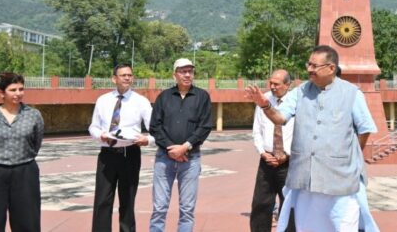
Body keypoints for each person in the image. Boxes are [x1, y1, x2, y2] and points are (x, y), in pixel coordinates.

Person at [244, 45, 379, 232]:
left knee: (342, 225)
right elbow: (280, 118)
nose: (309, 69)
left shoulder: (351, 94)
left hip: (340, 179)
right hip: (305, 178)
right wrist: (265, 105)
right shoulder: (300, 92)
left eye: (315, 66)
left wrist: (351, 156)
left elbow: (365, 129)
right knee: (307, 226)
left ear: (331, 68)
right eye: (309, 64)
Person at [149, 58, 213, 232]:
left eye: (190, 71)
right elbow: (155, 126)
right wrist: (171, 149)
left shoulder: (202, 97)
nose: (187, 74)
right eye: (182, 71)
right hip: (164, 158)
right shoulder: (164, 97)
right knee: (159, 207)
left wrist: (185, 147)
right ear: (174, 74)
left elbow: (205, 126)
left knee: (187, 209)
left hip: (191, 159)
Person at [0, 72, 45, 232]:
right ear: (1, 93)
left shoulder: (34, 116)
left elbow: (36, 143)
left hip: (25, 171)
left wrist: (24, 158)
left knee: (27, 219)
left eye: (21, 89)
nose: (18, 93)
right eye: (13, 90)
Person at [88, 63, 154, 232]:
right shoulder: (103, 100)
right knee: (102, 200)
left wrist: (147, 140)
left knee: (127, 201)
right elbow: (93, 126)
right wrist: (99, 135)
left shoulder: (141, 101)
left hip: (129, 154)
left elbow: (155, 129)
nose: (127, 78)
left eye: (130, 75)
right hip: (107, 154)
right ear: (114, 78)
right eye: (123, 75)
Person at [250, 69, 296, 232]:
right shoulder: (264, 99)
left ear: (287, 84)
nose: (272, 86)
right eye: (271, 83)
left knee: (289, 205)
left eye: (276, 84)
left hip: (289, 163)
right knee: (261, 204)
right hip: (266, 161)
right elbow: (257, 130)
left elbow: (301, 132)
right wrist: (263, 153)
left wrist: (287, 154)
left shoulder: (296, 102)